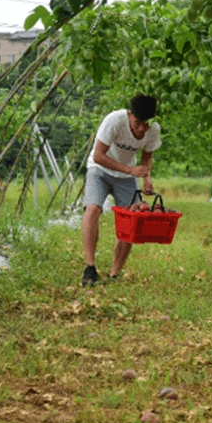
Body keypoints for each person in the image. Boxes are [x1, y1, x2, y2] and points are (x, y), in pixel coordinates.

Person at [81, 94, 161, 286]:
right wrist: (130, 170)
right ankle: (90, 268)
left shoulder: (154, 129)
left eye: (146, 124)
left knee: (131, 221)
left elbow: (146, 157)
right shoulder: (114, 121)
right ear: (129, 115)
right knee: (93, 209)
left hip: (126, 177)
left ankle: (115, 274)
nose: (142, 129)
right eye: (137, 123)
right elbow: (99, 156)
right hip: (99, 170)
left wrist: (146, 178)